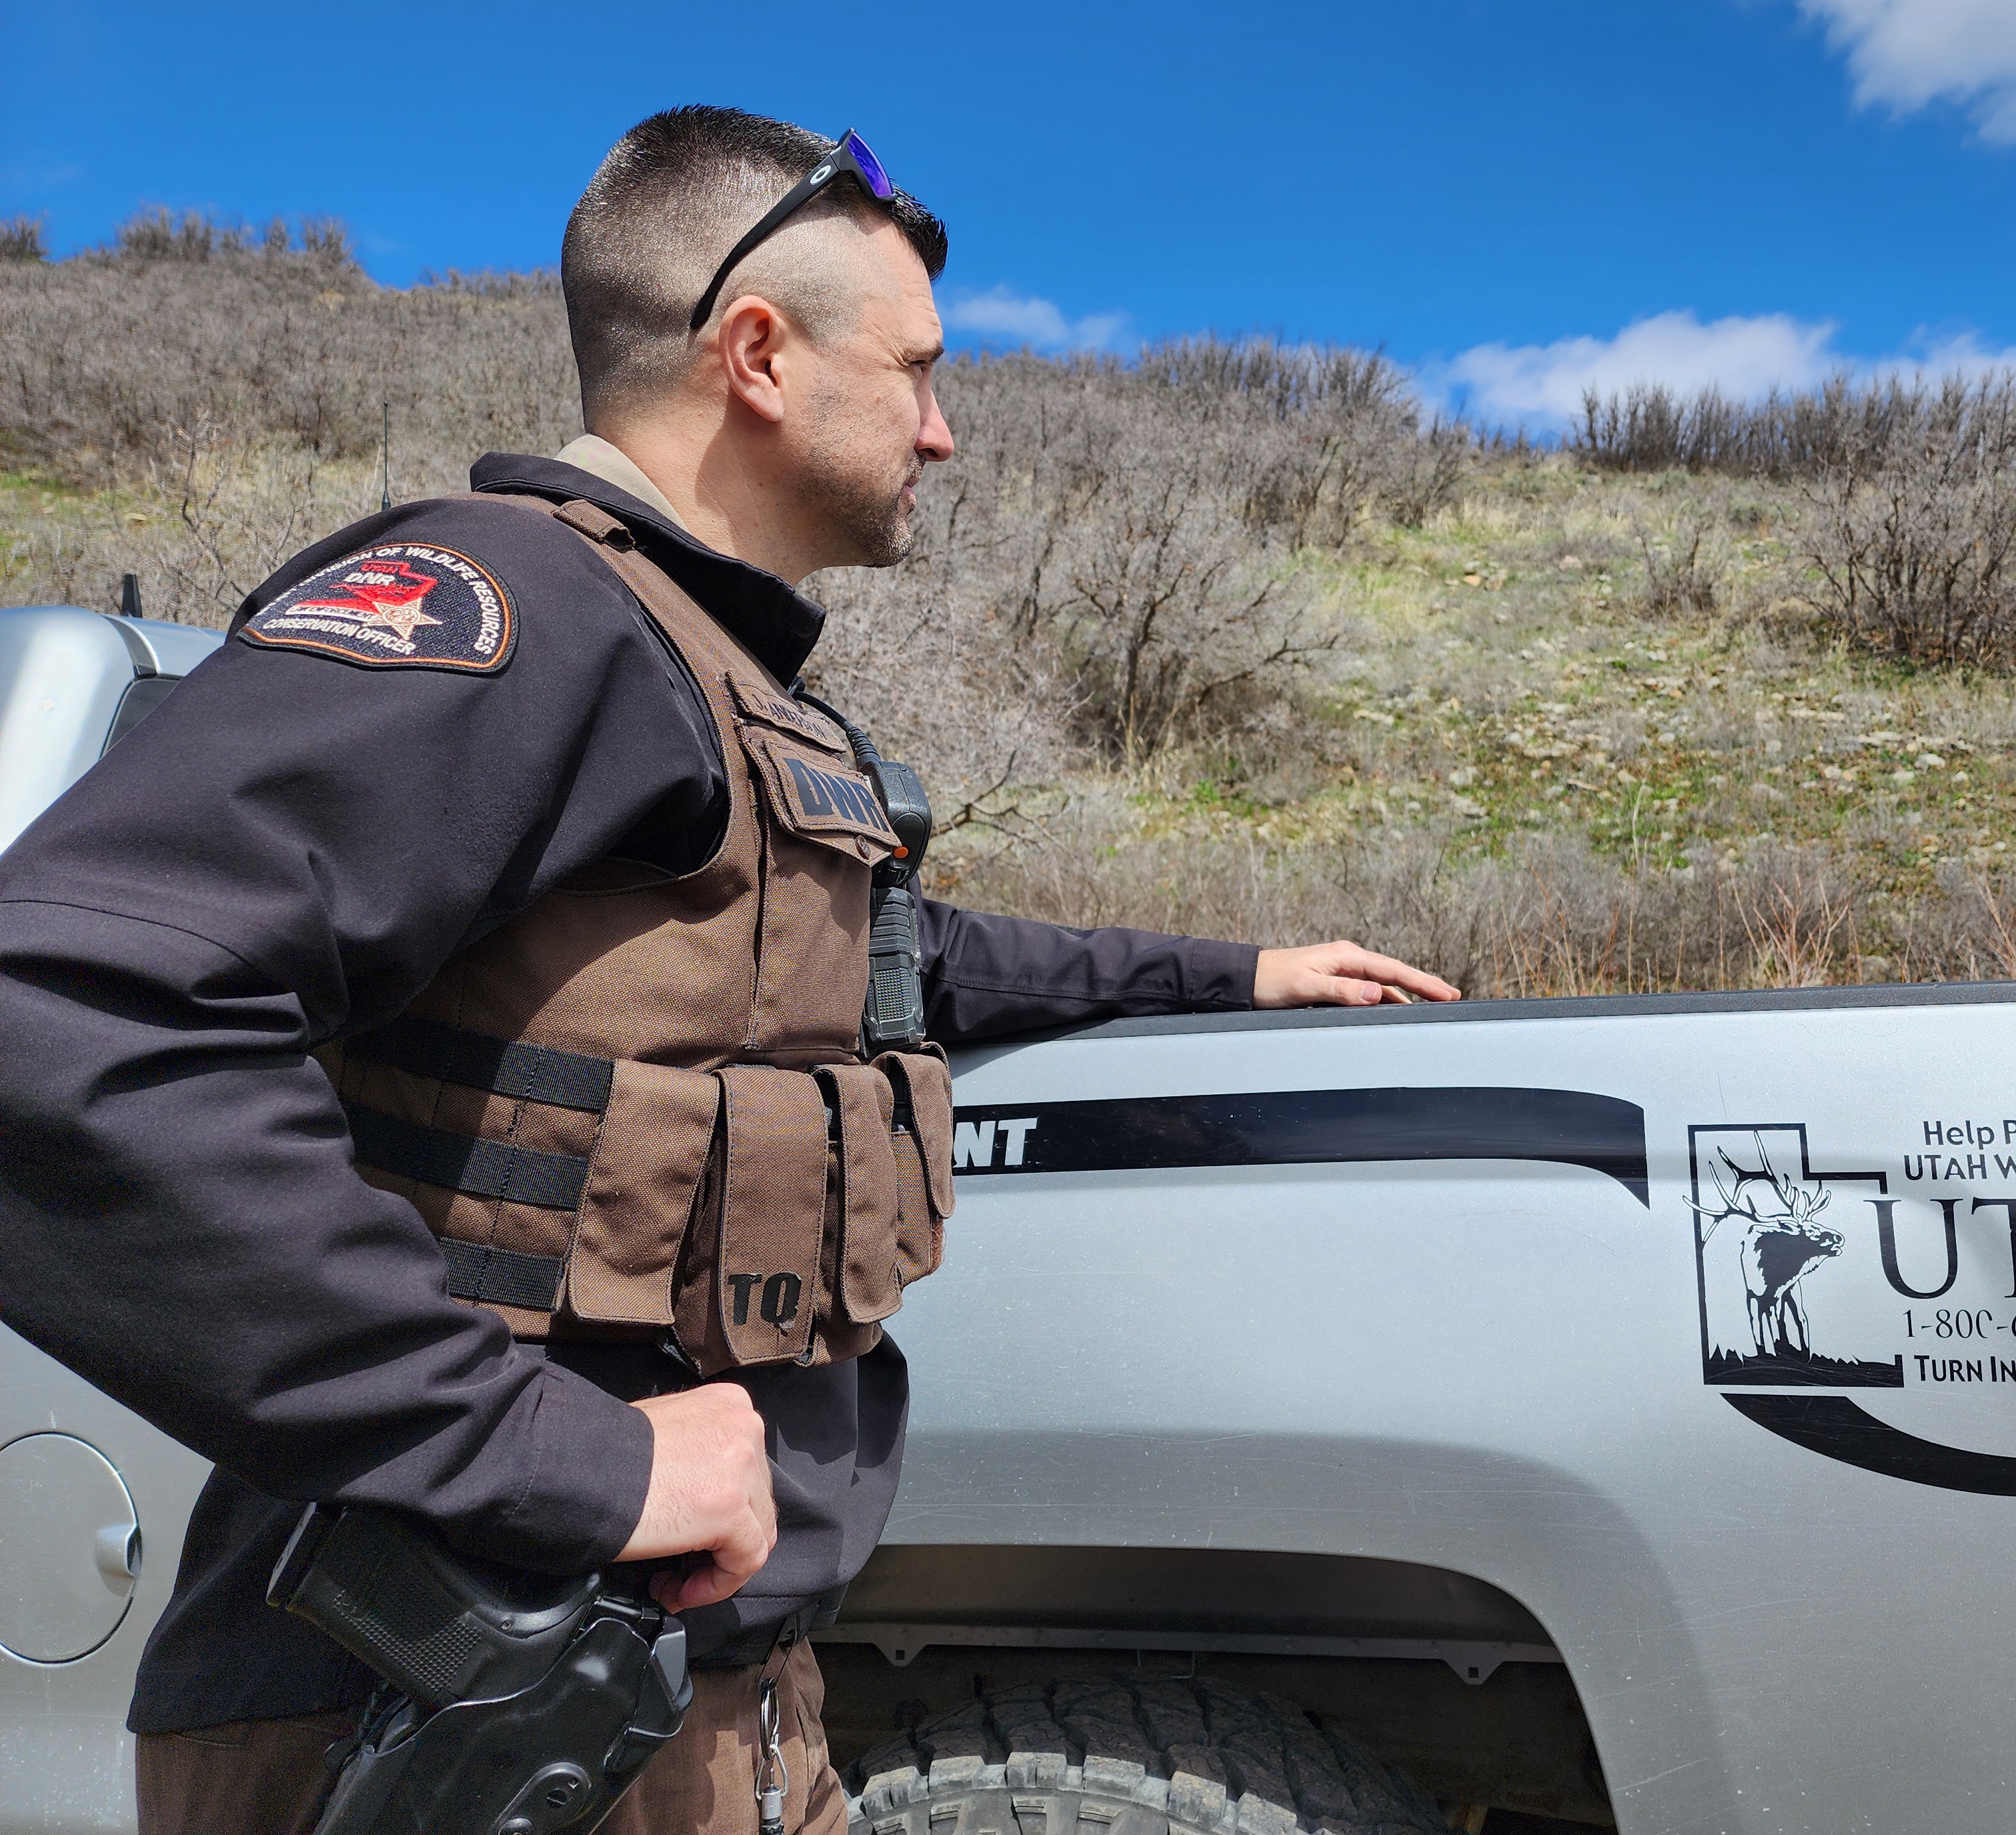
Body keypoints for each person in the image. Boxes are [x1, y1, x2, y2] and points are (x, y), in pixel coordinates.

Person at [0, 105, 1456, 1834]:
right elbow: (61, 1010)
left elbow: (892, 961)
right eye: (913, 370)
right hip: (441, 1715)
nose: (945, 428)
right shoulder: (515, 610)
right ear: (757, 353)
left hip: (686, 1701)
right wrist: (563, 1457)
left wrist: (1240, 974)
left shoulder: (700, 673)